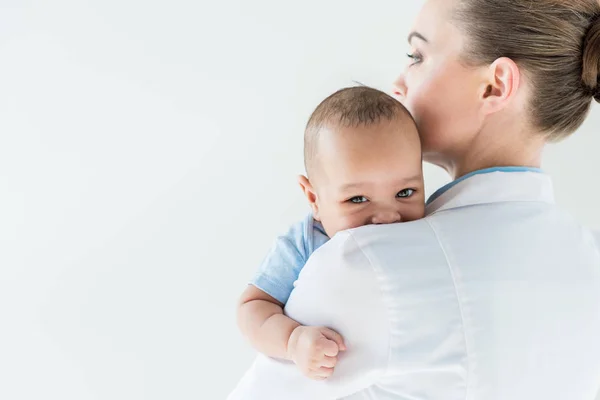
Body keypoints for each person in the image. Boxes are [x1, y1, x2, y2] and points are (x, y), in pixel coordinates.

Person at [228, 0, 600, 398]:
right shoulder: (589, 259)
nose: (398, 83)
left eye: (417, 56)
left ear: (495, 86)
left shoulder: (369, 260)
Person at [236, 86, 425, 380]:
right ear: (314, 199)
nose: (388, 216)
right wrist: (292, 340)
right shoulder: (305, 242)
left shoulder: (429, 228)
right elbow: (252, 307)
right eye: (358, 199)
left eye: (405, 192)